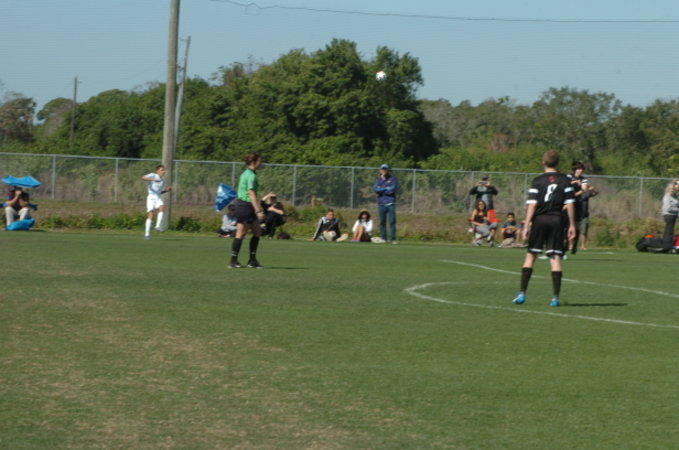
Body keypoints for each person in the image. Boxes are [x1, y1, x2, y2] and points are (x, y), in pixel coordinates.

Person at [512, 150, 576, 307]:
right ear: (557, 163)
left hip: (540, 220)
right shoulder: (565, 180)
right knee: (555, 257)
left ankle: (522, 293)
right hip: (557, 220)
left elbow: (532, 204)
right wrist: (572, 224)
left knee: (531, 255)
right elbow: (570, 204)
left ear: (543, 163)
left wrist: (526, 225)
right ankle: (555, 298)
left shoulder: (538, 180)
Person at [229, 153, 265, 268]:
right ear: (254, 162)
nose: (261, 163)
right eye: (259, 161)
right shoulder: (251, 176)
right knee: (240, 233)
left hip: (247, 206)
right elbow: (251, 193)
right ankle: (233, 261)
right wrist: (258, 210)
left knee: (257, 232)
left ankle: (252, 260)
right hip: (245, 206)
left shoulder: (247, 173)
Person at [567, 162, 597, 253]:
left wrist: (575, 194)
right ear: (575, 169)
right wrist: (574, 182)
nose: (580, 171)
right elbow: (565, 184)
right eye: (579, 169)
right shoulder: (569, 176)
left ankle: (574, 244)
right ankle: (567, 244)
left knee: (576, 225)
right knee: (567, 224)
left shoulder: (583, 179)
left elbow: (584, 189)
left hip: (577, 203)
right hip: (568, 203)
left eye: (582, 169)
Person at [141, 165, 172, 240]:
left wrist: (166, 191)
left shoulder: (162, 181)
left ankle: (157, 226)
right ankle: (147, 234)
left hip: (157, 198)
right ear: (157, 171)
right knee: (150, 215)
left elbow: (159, 192)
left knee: (162, 207)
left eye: (164, 170)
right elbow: (143, 178)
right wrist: (153, 179)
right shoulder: (153, 175)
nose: (163, 171)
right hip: (151, 198)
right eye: (162, 170)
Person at [373, 163, 397, 244]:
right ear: (380, 170)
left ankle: (392, 239)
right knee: (382, 222)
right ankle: (383, 238)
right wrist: (386, 188)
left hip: (390, 203)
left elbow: (392, 190)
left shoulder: (392, 179)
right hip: (381, 203)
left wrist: (381, 189)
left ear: (388, 170)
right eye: (382, 169)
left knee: (392, 221)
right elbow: (376, 190)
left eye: (385, 169)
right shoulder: (378, 180)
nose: (384, 171)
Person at [660, 179, 679, 250]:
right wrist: (677, 209)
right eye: (671, 189)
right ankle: (667, 245)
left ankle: (668, 244)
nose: (672, 190)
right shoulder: (667, 197)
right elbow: (668, 208)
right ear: (668, 189)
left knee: (670, 230)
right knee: (669, 230)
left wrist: (674, 182)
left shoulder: (674, 197)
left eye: (673, 189)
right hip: (668, 215)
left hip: (673, 215)